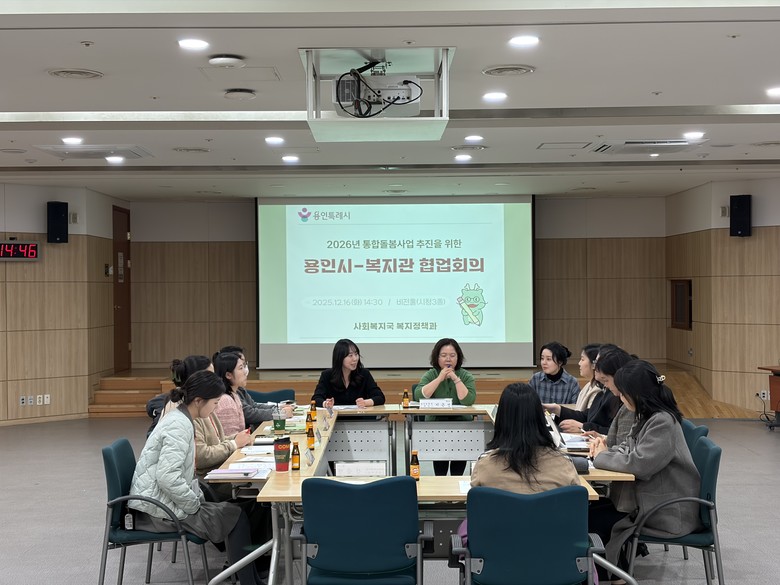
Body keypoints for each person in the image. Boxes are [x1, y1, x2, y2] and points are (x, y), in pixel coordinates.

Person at [130, 370, 264, 585]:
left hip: (162, 501)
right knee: (236, 516)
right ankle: (249, 580)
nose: (216, 408)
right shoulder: (179, 425)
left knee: (238, 512)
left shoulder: (181, 418)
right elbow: (167, 477)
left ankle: (251, 578)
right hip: (158, 510)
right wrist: (195, 504)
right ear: (199, 401)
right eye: (215, 403)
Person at [589, 359, 702, 577]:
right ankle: (610, 572)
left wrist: (602, 456)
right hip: (648, 501)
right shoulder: (647, 415)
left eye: (623, 393)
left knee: (591, 519)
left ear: (636, 394)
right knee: (589, 510)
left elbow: (639, 464)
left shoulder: (662, 422)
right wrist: (604, 451)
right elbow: (627, 447)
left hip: (664, 510)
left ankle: (613, 575)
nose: (620, 397)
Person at [459, 383, 580, 541]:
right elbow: (574, 508)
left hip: (498, 550)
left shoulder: (485, 465)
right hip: (553, 549)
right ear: (540, 418)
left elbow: (477, 509)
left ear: (501, 419)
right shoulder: (563, 464)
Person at [414, 338, 477, 476]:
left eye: (452, 355)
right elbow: (419, 396)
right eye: (443, 355)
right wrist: (439, 379)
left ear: (458, 357)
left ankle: (456, 485)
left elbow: (468, 400)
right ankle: (440, 487)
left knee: (458, 464)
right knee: (440, 465)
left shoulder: (465, 375)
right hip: (436, 425)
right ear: (437, 357)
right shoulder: (431, 374)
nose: (448, 359)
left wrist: (455, 378)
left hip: (462, 425)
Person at [543, 346, 631, 435]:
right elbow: (587, 415)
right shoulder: (605, 391)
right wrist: (556, 409)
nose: (595, 366)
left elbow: (616, 432)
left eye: (597, 362)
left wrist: (583, 427)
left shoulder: (619, 396)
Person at [216, 345, 293, 430]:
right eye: (241, 368)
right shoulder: (226, 400)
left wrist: (278, 408)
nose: (245, 372)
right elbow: (249, 414)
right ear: (228, 375)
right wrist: (280, 413)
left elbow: (253, 406)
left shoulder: (235, 393)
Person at [145, 355, 213, 436]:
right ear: (195, 379)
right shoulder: (181, 408)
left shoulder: (198, 401)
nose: (216, 380)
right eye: (210, 376)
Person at [312, 339, 385, 408]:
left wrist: (365, 402)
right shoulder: (327, 375)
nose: (355, 359)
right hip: (336, 416)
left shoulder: (364, 374)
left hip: (359, 416)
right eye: (350, 355)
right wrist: (326, 403)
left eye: (356, 354)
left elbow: (380, 397)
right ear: (340, 357)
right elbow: (316, 398)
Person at [574, 344, 601, 411]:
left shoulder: (598, 390)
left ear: (594, 364)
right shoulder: (588, 385)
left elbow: (586, 415)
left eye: (582, 359)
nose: (579, 363)